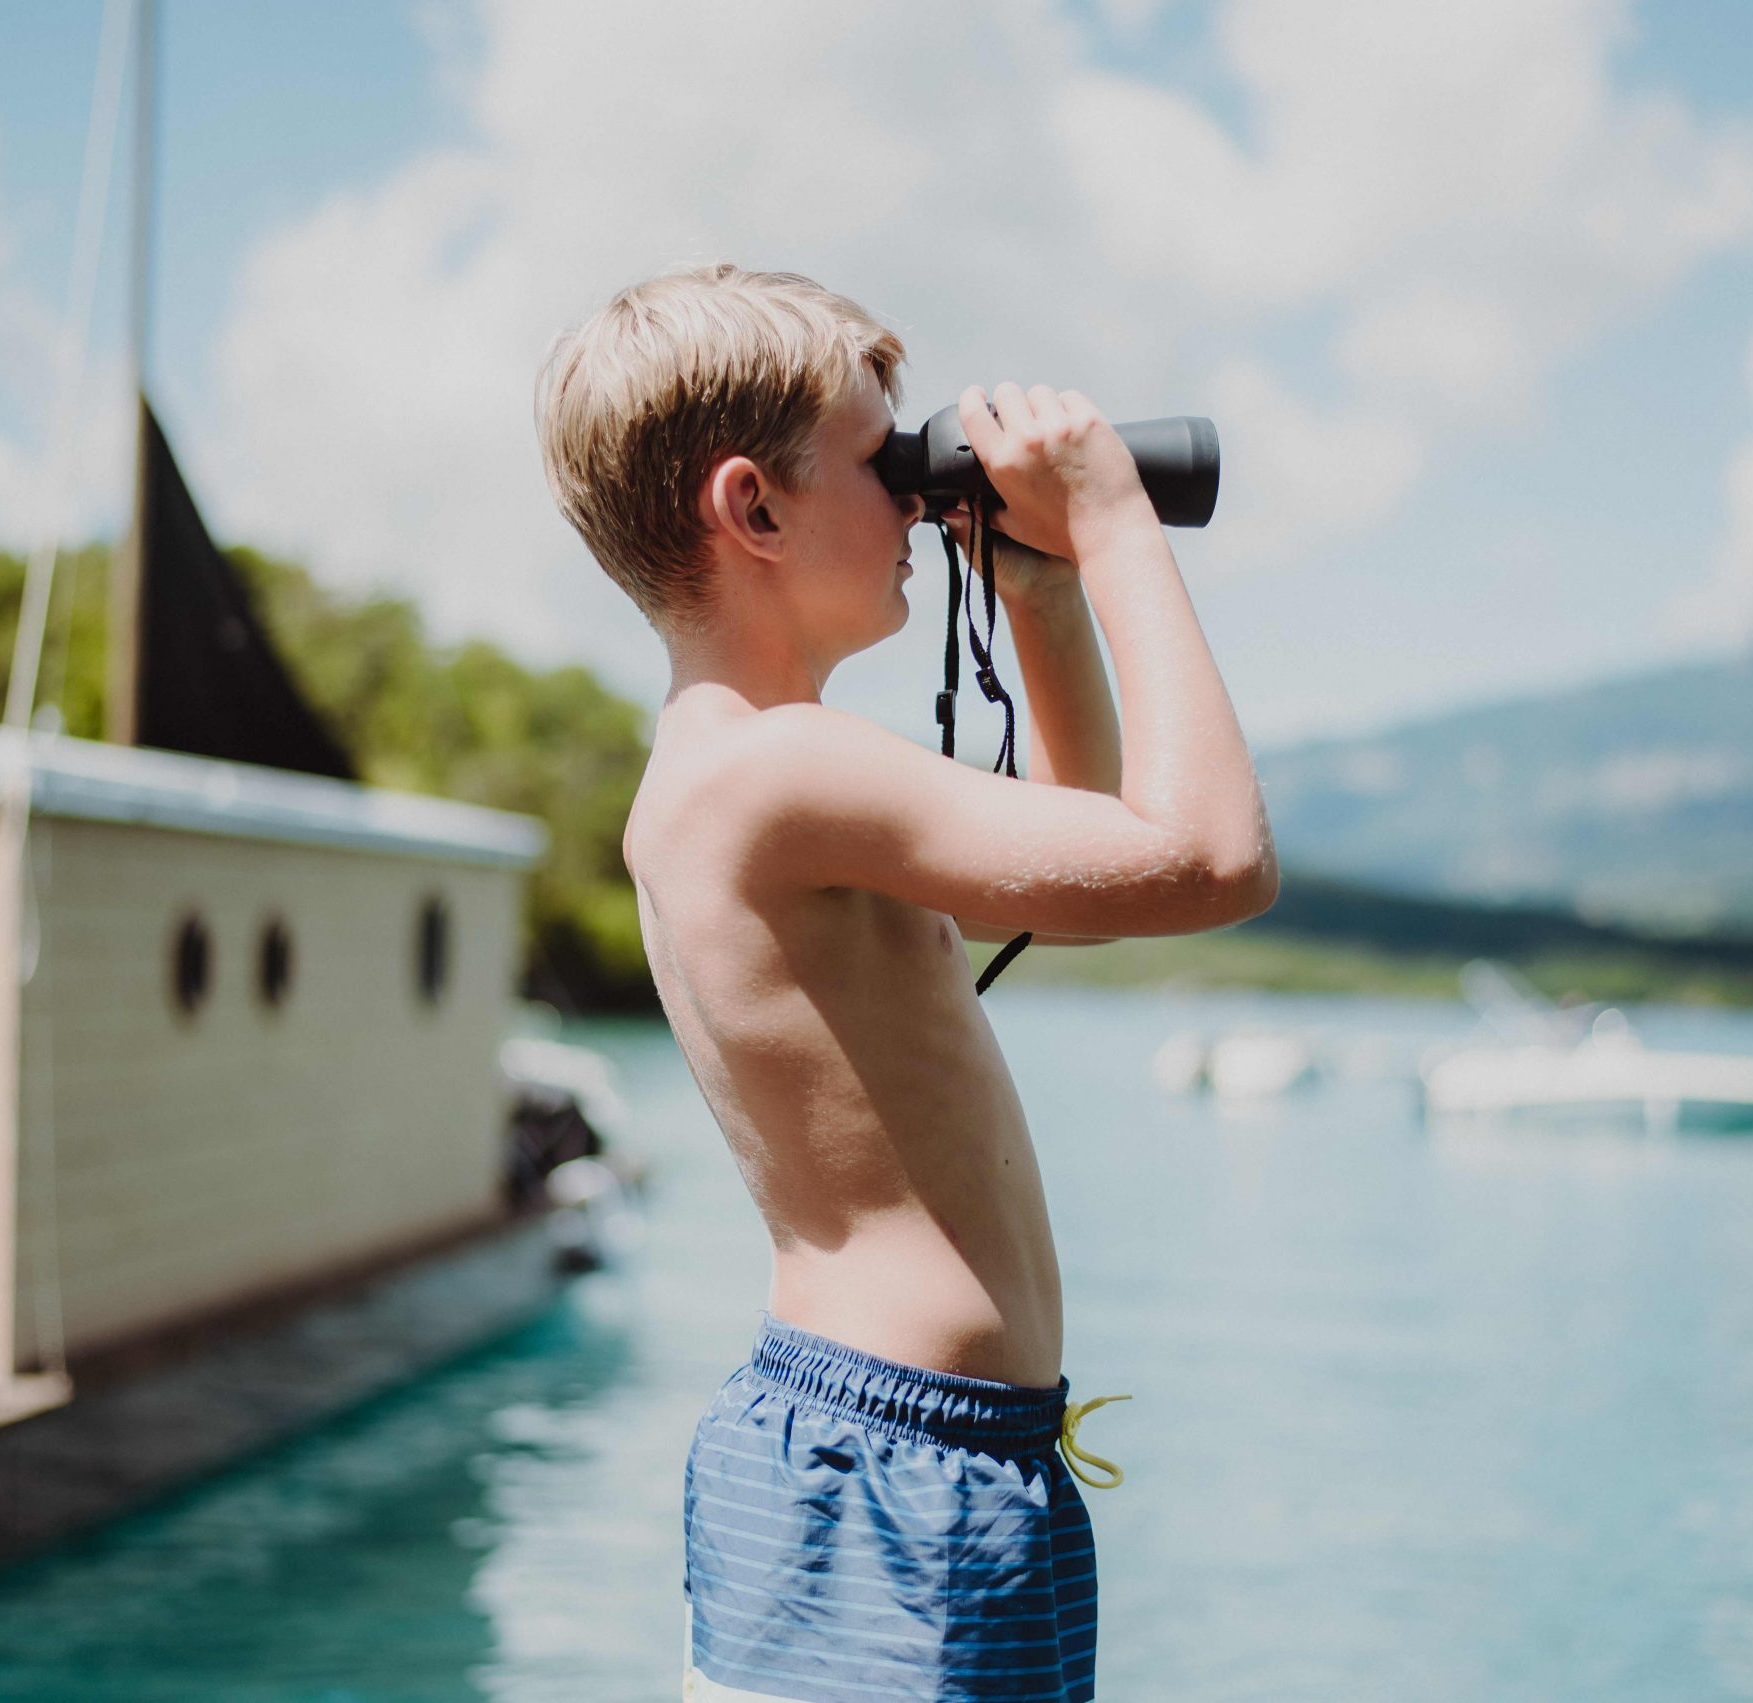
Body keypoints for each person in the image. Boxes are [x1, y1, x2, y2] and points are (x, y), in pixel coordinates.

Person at [534, 264, 1277, 1702]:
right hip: (906, 1472)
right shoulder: (782, 773)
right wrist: (1118, 527)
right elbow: (1212, 858)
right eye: (888, 460)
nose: (922, 498)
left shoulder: (732, 771)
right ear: (754, 508)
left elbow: (1095, 879)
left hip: (871, 1450)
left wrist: (1040, 595)